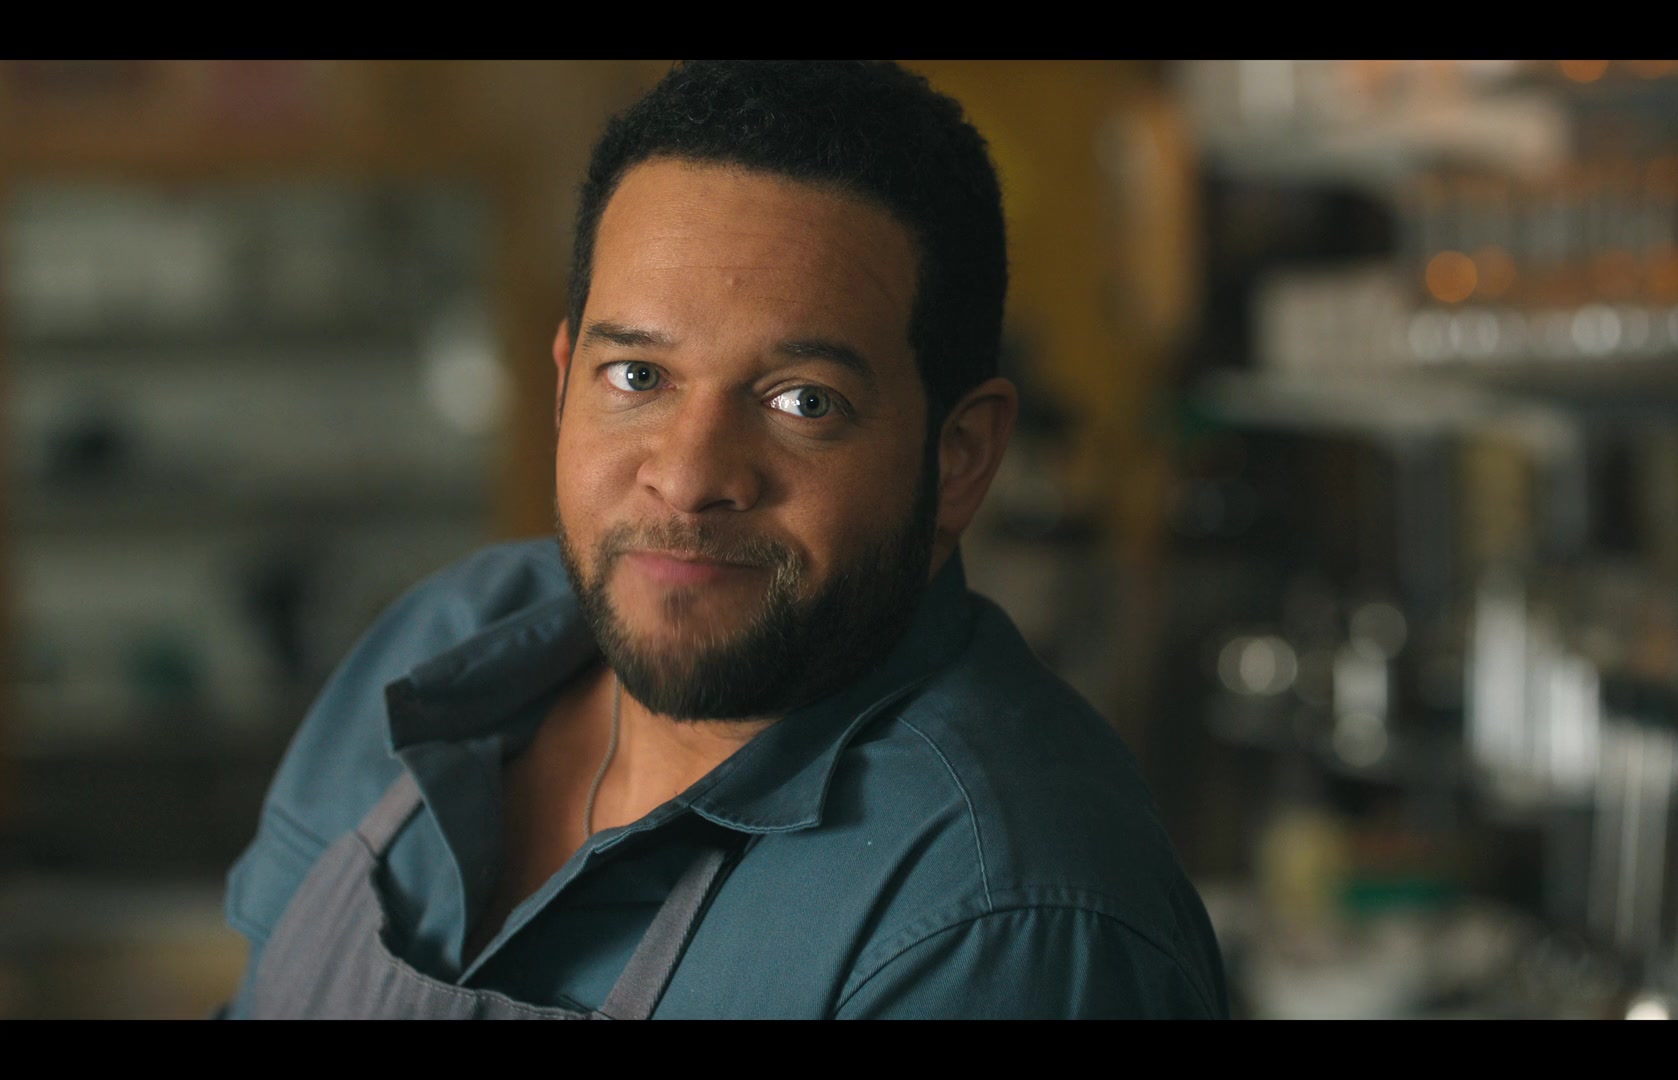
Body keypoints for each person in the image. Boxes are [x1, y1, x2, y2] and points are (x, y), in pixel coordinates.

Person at [220, 60, 1229, 1020]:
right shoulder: (448, 641)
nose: (691, 476)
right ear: (564, 384)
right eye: (637, 377)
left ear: (959, 457)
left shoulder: (996, 920)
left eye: (803, 401)